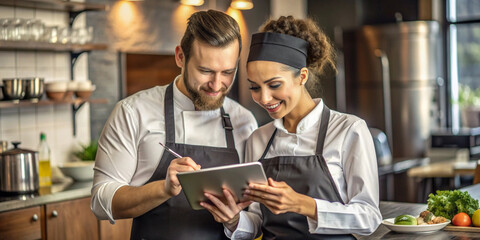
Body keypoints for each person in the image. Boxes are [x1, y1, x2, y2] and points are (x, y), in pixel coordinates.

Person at [201, 16, 382, 239]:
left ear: (302, 76)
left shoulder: (348, 130)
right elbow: (258, 220)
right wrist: (234, 220)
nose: (264, 98)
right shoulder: (258, 139)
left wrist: (303, 205)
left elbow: (369, 217)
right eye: (255, 87)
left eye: (274, 85)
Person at [90, 10, 258, 240]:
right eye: (205, 71)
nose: (217, 84)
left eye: (228, 72)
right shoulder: (133, 112)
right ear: (180, 57)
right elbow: (101, 201)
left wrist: (234, 221)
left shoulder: (244, 121)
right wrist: (163, 189)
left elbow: (255, 218)